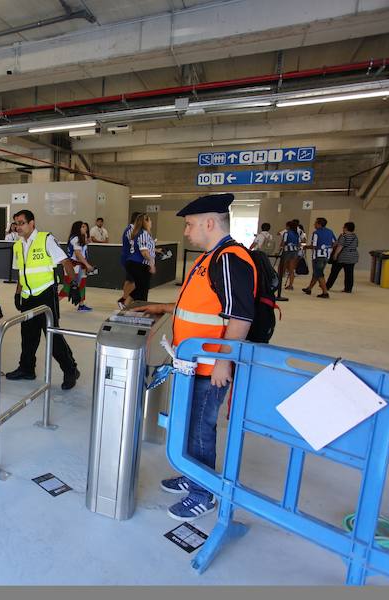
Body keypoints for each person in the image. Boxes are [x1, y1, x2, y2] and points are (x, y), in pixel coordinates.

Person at [130, 193, 256, 522]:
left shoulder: (230, 259)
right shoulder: (208, 258)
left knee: (201, 428)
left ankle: (203, 494)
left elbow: (240, 317)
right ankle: (192, 473)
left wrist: (223, 361)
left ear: (209, 223)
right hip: (192, 363)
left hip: (210, 364)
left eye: (189, 225)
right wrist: (164, 308)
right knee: (190, 424)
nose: (186, 232)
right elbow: (201, 307)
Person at [6, 209, 80, 390]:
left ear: (32, 223)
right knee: (28, 336)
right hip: (27, 297)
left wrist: (74, 285)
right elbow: (21, 274)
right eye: (16, 223)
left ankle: (70, 370)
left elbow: (66, 262)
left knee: (53, 336)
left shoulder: (46, 239)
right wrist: (18, 294)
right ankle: (26, 369)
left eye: (22, 222)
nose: (18, 227)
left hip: (46, 295)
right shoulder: (17, 246)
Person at [59, 220, 95, 312]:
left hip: (78, 266)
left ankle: (81, 305)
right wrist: (87, 265)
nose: (85, 228)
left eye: (85, 226)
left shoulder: (78, 238)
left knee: (81, 285)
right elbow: (78, 254)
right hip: (74, 266)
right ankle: (53, 303)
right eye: (83, 227)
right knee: (68, 287)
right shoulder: (76, 238)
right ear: (78, 228)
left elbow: (80, 250)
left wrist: (86, 242)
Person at [301, 217, 336, 298]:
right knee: (316, 273)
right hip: (326, 255)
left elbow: (314, 245)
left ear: (319, 224)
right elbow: (335, 242)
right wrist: (329, 248)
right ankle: (309, 288)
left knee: (319, 274)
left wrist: (305, 247)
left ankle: (325, 292)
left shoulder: (316, 233)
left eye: (315, 223)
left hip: (318, 256)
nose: (314, 224)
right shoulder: (330, 231)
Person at [125, 214, 155, 302]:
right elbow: (144, 252)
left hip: (137, 264)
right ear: (145, 222)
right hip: (137, 264)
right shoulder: (143, 233)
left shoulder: (140, 233)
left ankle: (129, 305)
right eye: (149, 220)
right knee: (143, 288)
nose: (151, 222)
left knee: (141, 288)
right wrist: (152, 264)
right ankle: (130, 305)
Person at [327, 222, 359, 293]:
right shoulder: (355, 236)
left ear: (346, 228)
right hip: (353, 256)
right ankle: (348, 289)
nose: (343, 228)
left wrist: (335, 255)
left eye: (343, 227)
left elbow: (340, 247)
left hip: (342, 257)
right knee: (349, 273)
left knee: (334, 272)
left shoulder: (343, 236)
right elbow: (356, 245)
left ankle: (327, 286)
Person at [117, 212, 140, 309]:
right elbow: (135, 244)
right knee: (131, 280)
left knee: (131, 280)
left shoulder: (135, 230)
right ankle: (124, 299)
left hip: (132, 259)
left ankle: (126, 299)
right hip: (129, 259)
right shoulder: (131, 230)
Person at [280, 221, 301, 291]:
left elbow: (283, 243)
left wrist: (280, 247)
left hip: (287, 251)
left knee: (282, 267)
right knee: (291, 269)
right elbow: (299, 244)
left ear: (288, 226)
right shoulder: (297, 234)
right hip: (294, 252)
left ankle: (279, 282)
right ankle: (291, 285)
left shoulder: (286, 233)